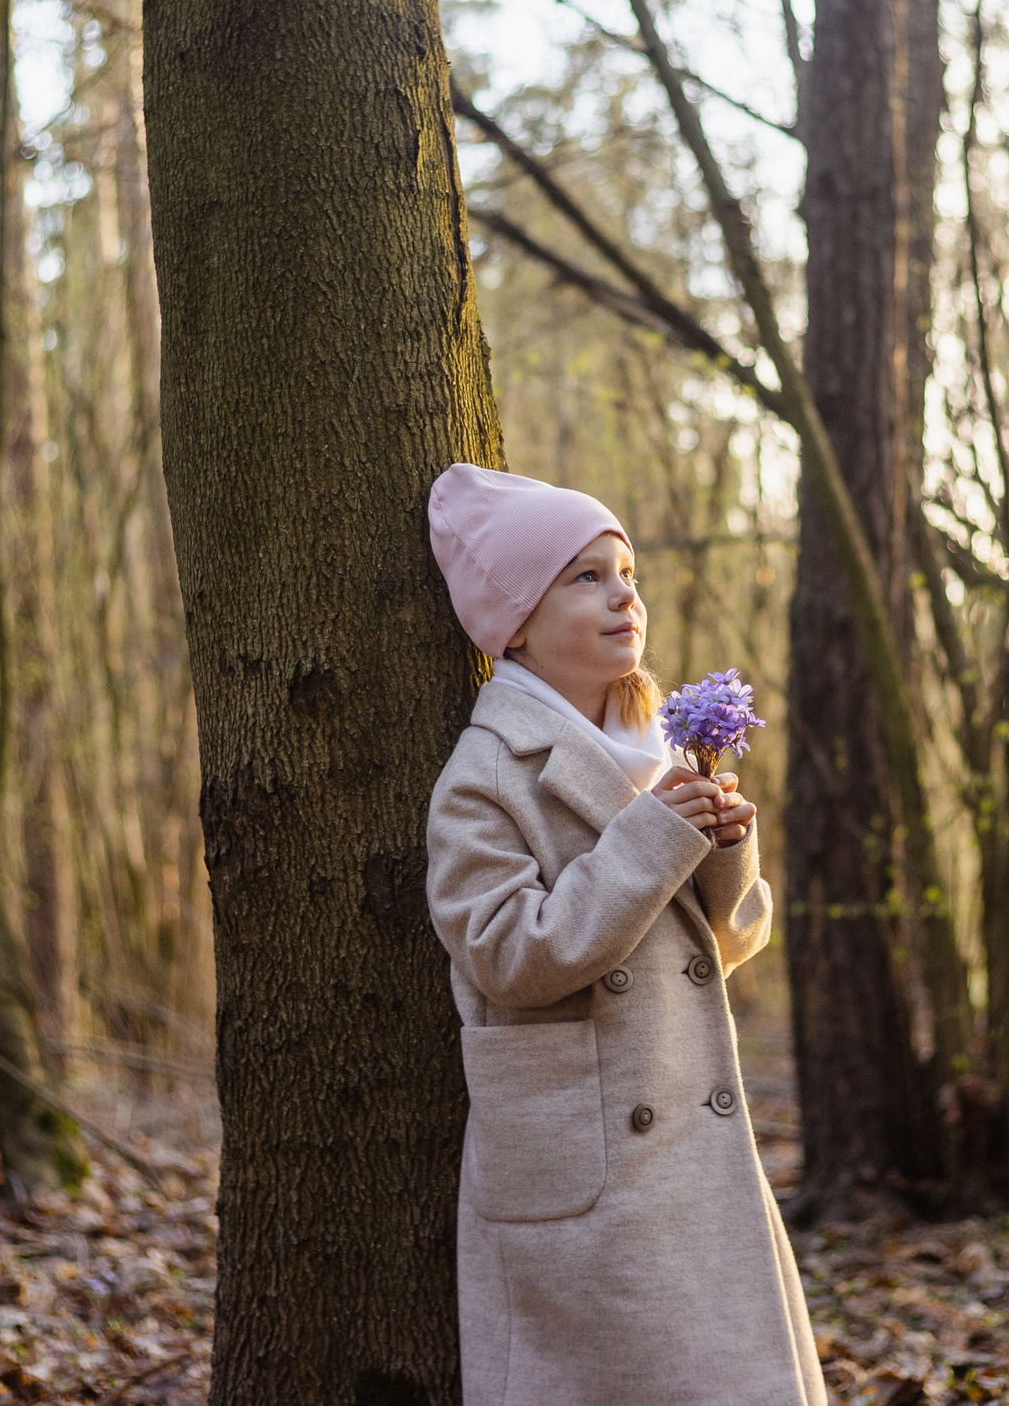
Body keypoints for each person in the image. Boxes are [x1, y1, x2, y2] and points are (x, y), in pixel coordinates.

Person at [424, 462, 825, 1406]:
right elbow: (511, 956)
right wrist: (653, 838)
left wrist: (724, 849)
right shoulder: (485, 775)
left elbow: (720, 950)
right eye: (587, 576)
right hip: (587, 1175)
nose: (623, 595)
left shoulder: (659, 745)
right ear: (519, 620)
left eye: (628, 572)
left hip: (687, 1146)